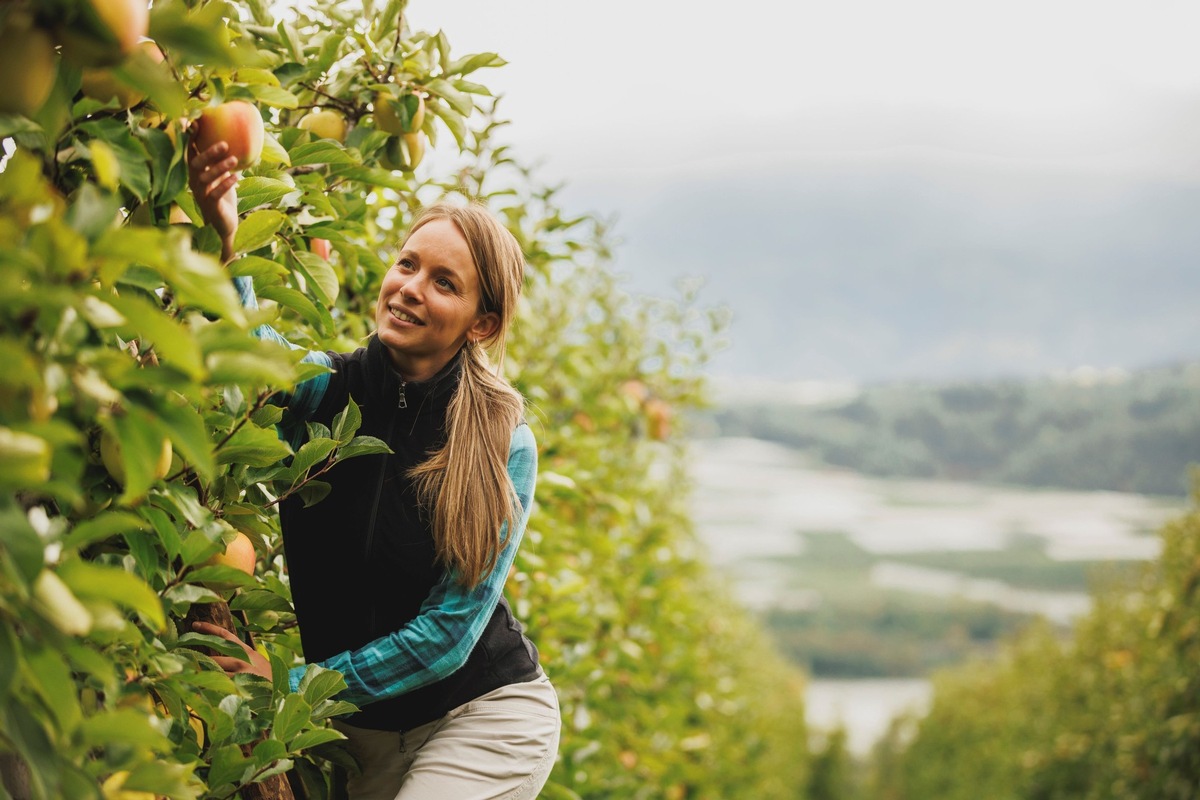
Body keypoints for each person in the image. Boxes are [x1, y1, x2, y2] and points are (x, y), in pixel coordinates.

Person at [186, 140, 561, 800]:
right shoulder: (331, 387)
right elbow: (252, 357)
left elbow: (447, 634)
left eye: (444, 283)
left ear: (482, 324)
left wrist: (289, 687)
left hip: (482, 719)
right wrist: (226, 232)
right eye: (407, 265)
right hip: (361, 739)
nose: (411, 289)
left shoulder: (502, 442)